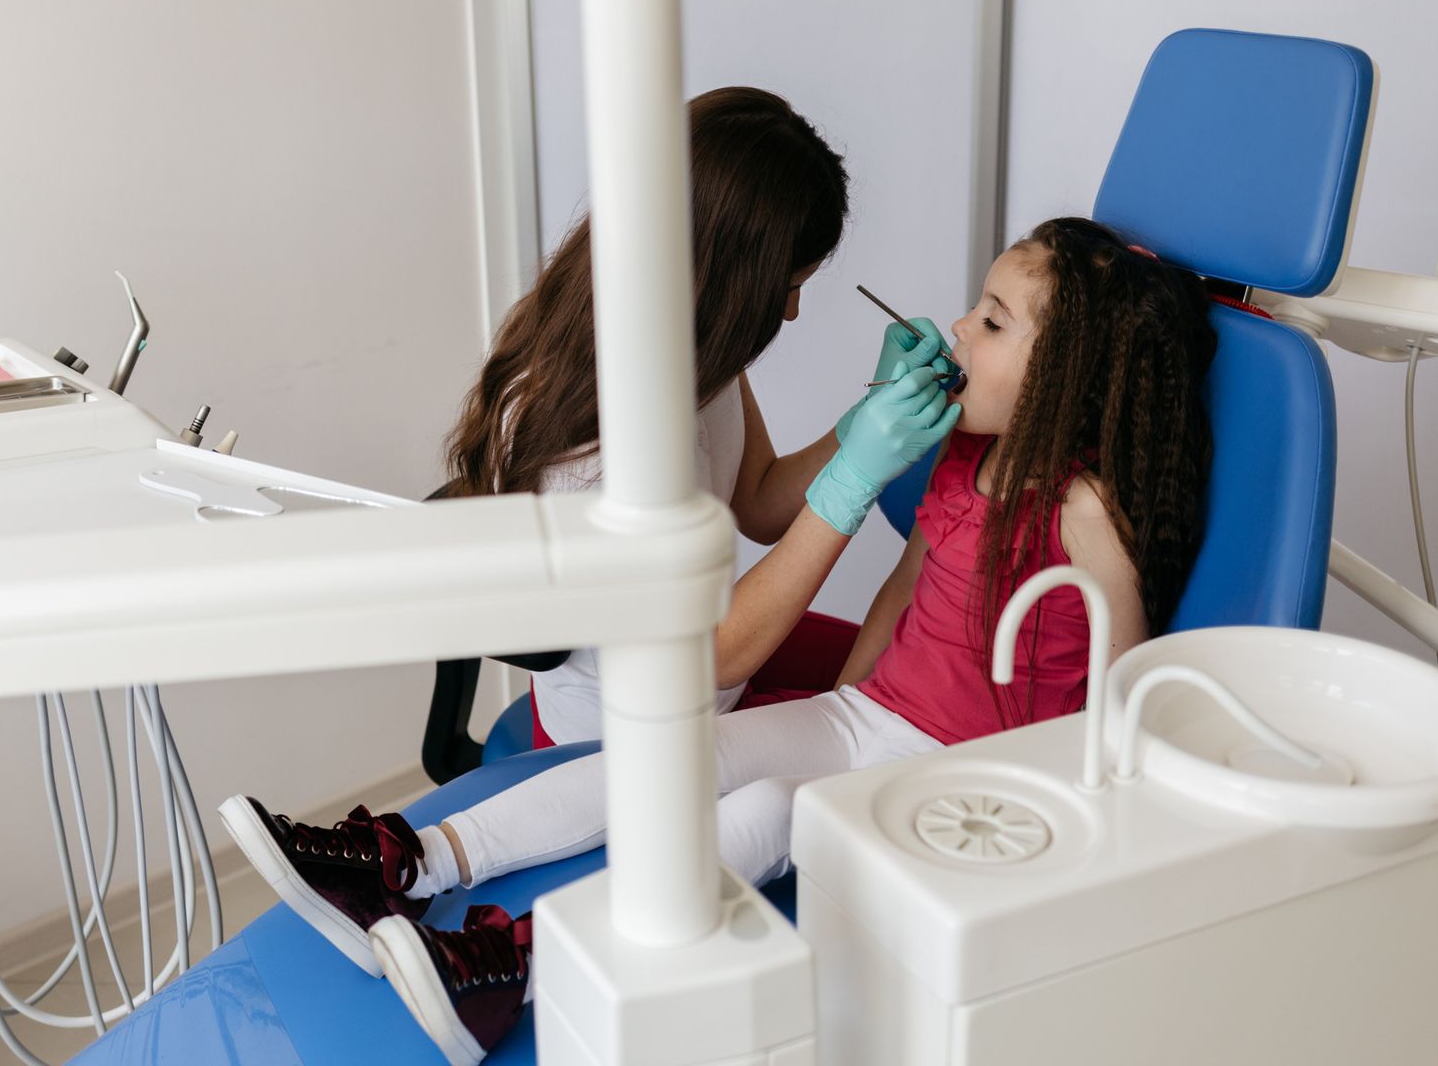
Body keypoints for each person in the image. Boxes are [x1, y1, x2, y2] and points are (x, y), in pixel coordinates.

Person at [219, 217, 1219, 1064]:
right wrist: (841, 702)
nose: (959, 327)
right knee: (671, 755)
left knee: (773, 809)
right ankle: (407, 859)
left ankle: (513, 964)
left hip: (961, 777)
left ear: (1071, 377)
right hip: (873, 715)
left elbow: (1121, 695)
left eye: (992, 321)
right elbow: (901, 598)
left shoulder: (1085, 511)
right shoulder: (964, 456)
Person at [441, 84, 950, 745]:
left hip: (714, 671)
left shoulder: (690, 338)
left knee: (910, 680)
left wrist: (863, 419)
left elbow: (758, 502)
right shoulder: (603, 446)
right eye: (786, 288)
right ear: (725, 275)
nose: (791, 312)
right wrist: (852, 481)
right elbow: (709, 659)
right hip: (631, 736)